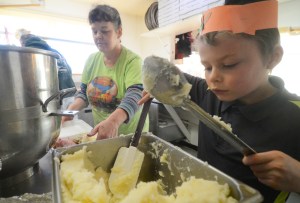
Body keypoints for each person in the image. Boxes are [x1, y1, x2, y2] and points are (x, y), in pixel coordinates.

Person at [139, 0, 300, 202]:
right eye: (207, 67)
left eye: (229, 64)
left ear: (272, 58)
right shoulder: (210, 91)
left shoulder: (294, 117)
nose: (213, 77)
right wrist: (154, 82)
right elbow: (170, 77)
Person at [60, 4, 148, 141]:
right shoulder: (91, 60)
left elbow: (135, 95)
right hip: (101, 134)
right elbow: (83, 93)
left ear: (119, 32)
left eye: (105, 31)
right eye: (94, 31)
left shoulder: (133, 61)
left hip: (130, 138)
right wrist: (70, 111)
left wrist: (113, 122)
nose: (98, 36)